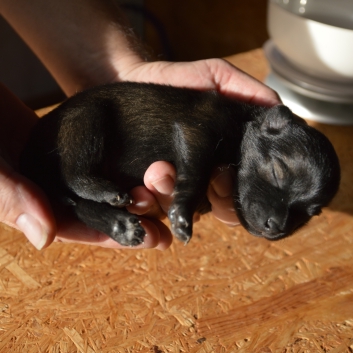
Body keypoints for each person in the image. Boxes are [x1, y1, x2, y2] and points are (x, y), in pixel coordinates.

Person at [0, 0, 281, 251]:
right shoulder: (230, 122)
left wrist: (113, 68)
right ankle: (82, 183)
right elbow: (194, 136)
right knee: (80, 154)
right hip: (77, 128)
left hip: (107, 149)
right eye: (279, 174)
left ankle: (104, 214)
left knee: (78, 198)